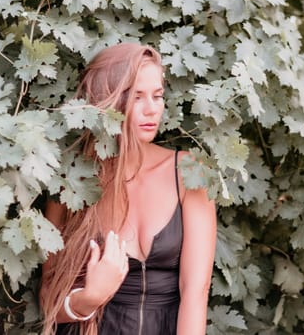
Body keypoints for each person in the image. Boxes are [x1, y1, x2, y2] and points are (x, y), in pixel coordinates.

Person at [39, 42, 217, 335]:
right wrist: (89, 299)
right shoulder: (73, 181)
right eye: (137, 97)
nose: (152, 109)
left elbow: (196, 291)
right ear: (108, 101)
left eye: (157, 96)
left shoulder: (189, 172)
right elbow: (49, 300)